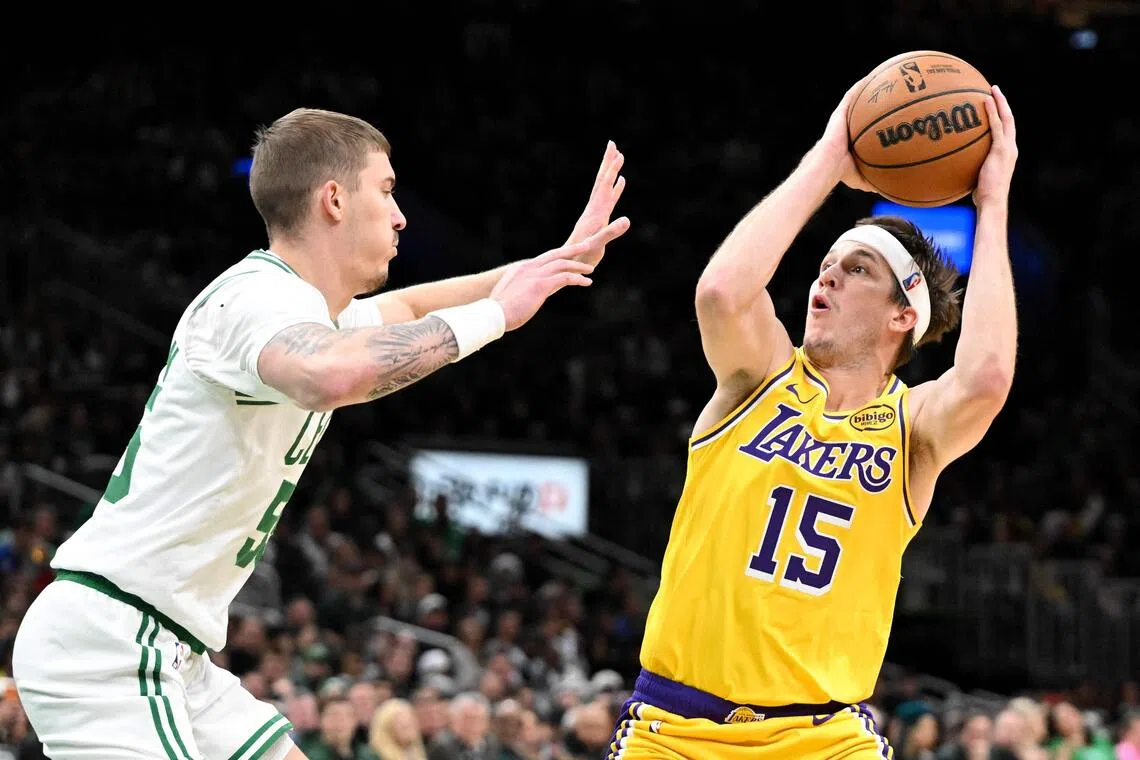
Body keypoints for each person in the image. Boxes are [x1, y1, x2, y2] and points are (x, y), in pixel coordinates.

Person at [11, 108, 629, 760]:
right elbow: (330, 376)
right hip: (112, 643)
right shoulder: (254, 299)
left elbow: (416, 309)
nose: (400, 217)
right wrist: (499, 313)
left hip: (171, 652)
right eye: (386, 190)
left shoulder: (310, 310)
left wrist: (548, 268)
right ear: (334, 199)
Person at [609, 79, 1019, 759]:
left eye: (854, 270)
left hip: (824, 738)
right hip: (674, 730)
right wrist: (831, 154)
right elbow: (722, 292)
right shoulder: (762, 376)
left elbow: (986, 378)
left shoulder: (912, 428)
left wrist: (993, 203)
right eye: (824, 266)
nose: (822, 279)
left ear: (902, 316)